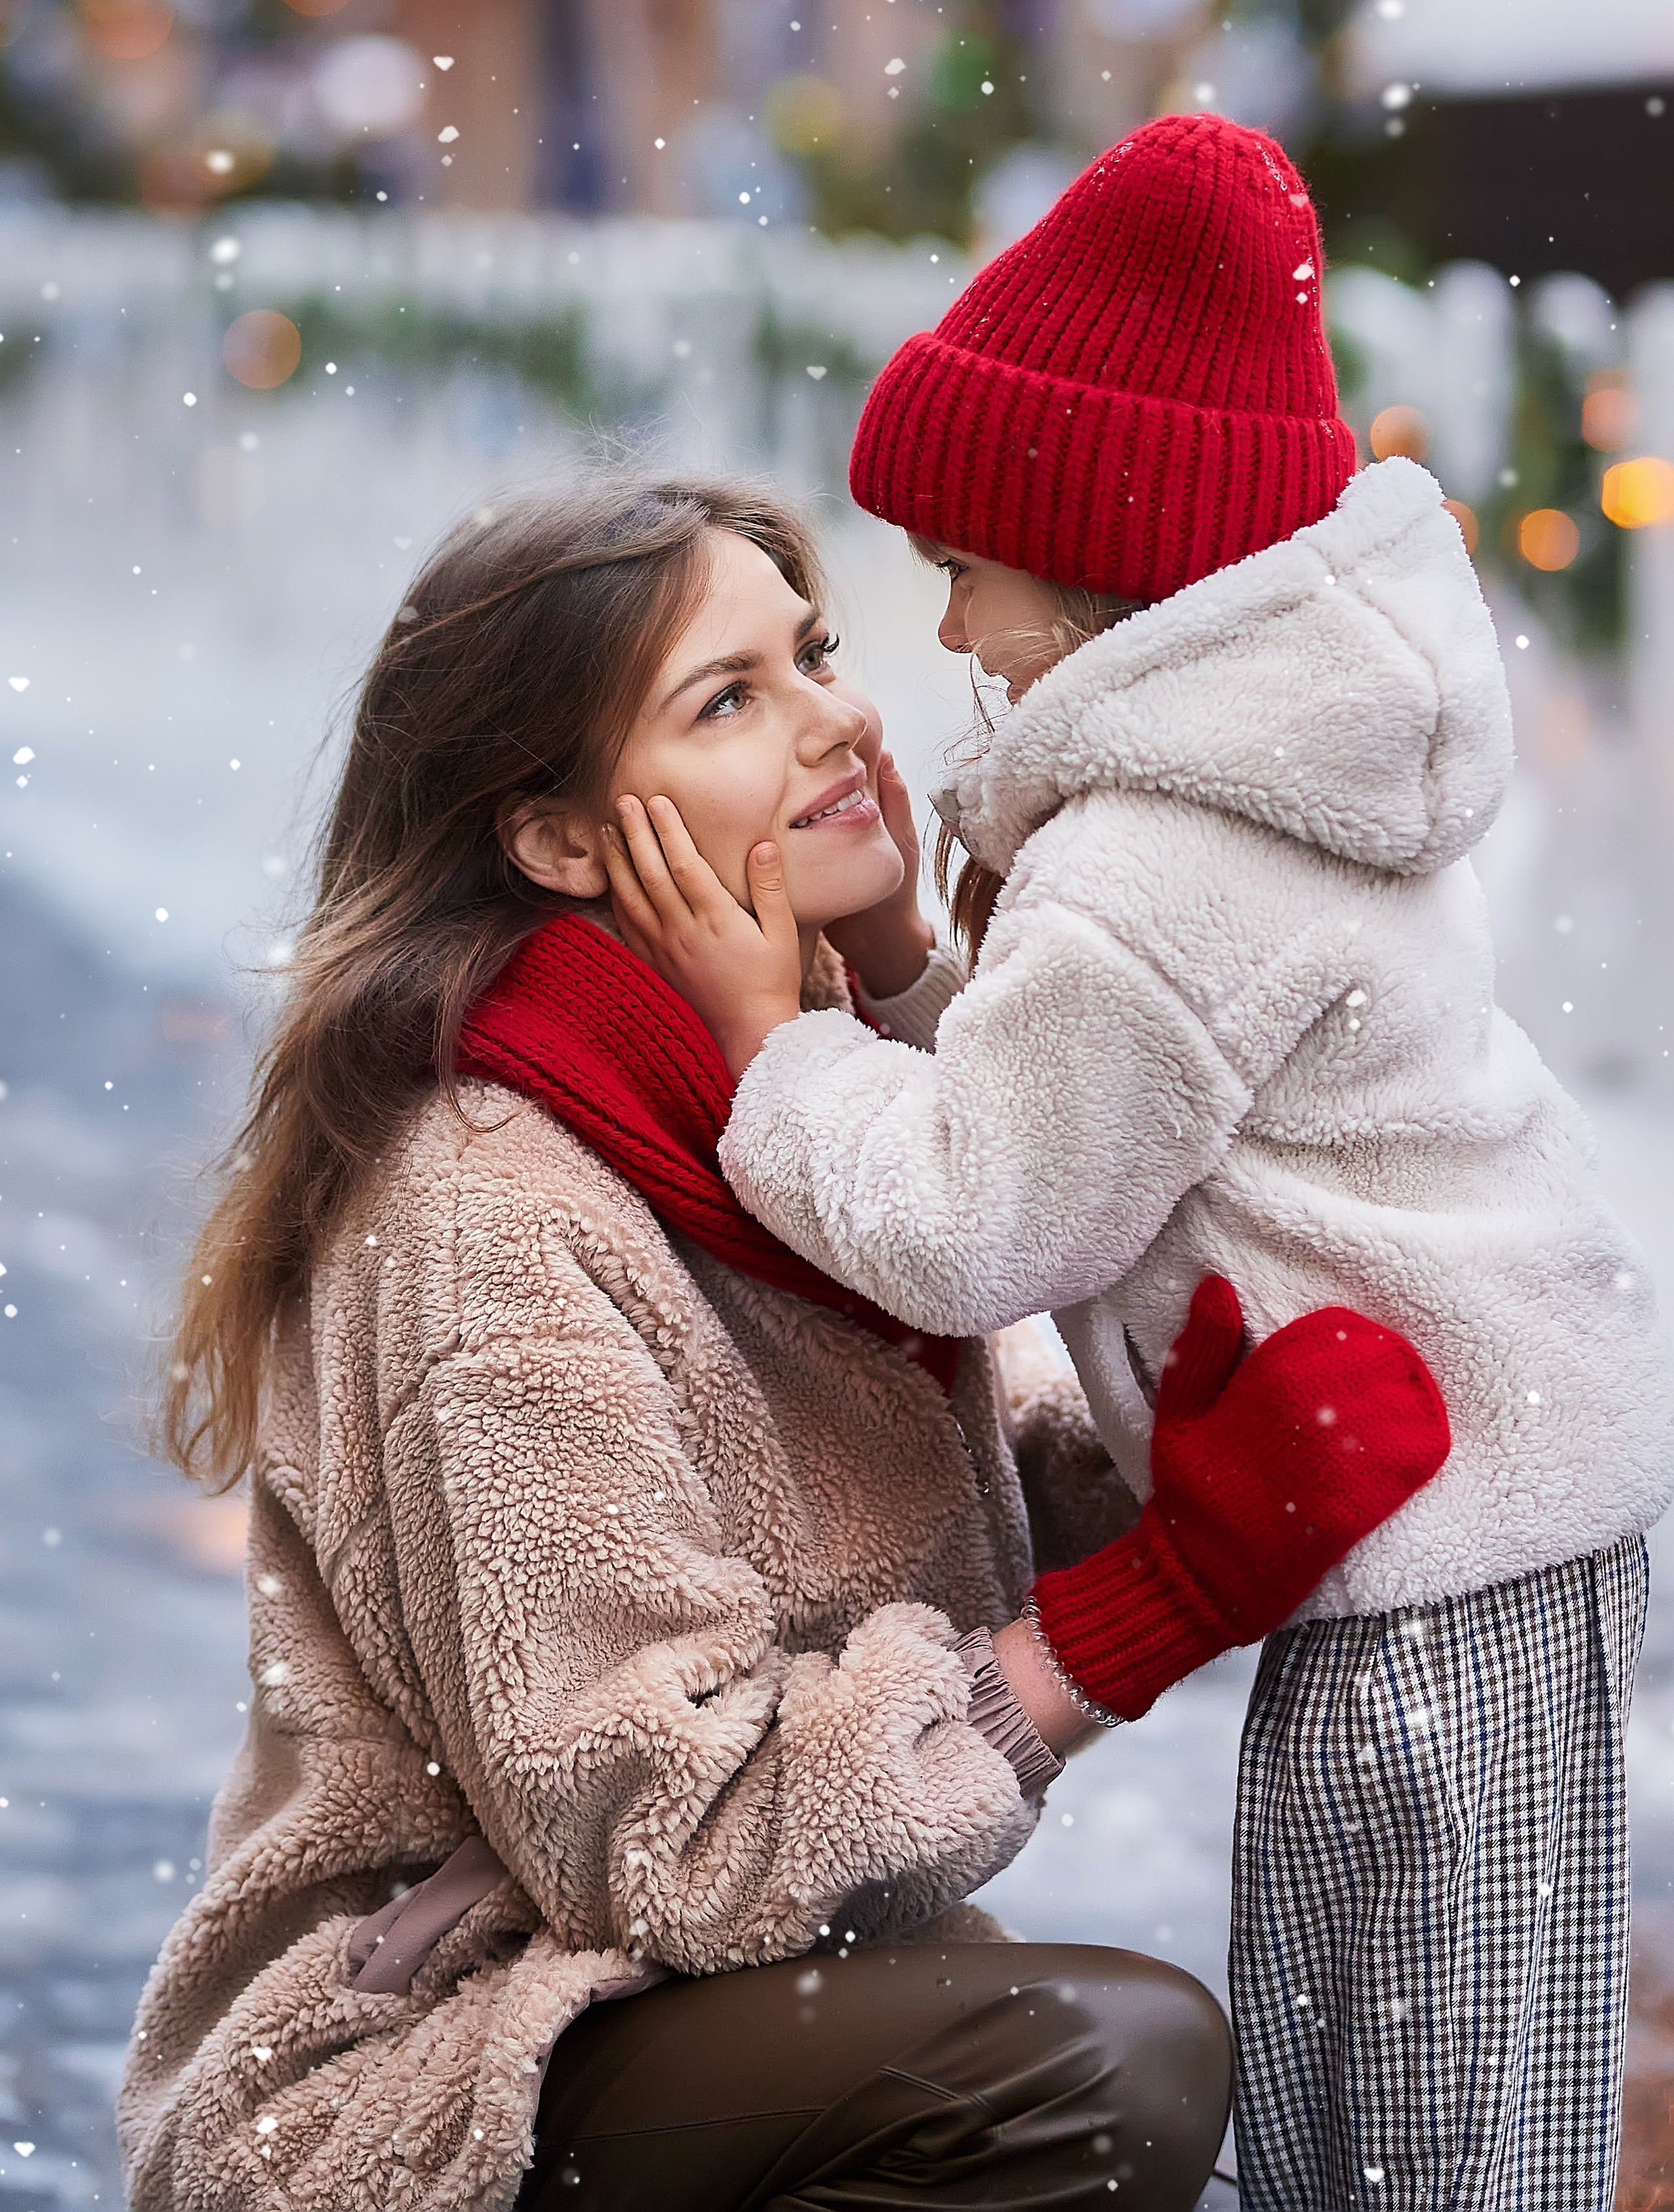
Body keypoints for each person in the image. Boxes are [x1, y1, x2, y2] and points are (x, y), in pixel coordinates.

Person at [119, 477, 1448, 2212]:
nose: (842, 712)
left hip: (655, 2010)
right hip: (429, 2075)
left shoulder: (735, 1098)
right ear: (562, 841)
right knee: (1102, 2073)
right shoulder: (490, 1204)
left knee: (1112, 2079)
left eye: (811, 651)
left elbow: (919, 1451)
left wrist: (1154, 1475)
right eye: (729, 697)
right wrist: (1148, 1608)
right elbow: (680, 1835)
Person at [600, 118, 1674, 2211]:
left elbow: (972, 1217)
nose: (948, 621)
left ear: (1096, 560)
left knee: (1426, 2101)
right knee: (1376, 2030)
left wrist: (773, 1041)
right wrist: (913, 961)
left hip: (1447, 1522)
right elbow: (1088, 1102)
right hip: (1450, 1482)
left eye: (964, 568)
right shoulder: (1246, 769)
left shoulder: (1161, 862)